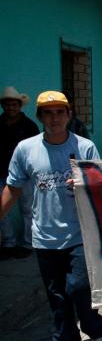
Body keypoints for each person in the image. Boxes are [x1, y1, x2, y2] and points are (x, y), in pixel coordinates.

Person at [1, 91, 102, 341]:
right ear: (39, 117)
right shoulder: (26, 149)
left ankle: (95, 330)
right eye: (48, 112)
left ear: (69, 115)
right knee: (56, 293)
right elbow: (13, 188)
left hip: (79, 234)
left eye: (60, 111)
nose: (55, 117)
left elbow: (101, 188)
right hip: (44, 236)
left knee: (80, 287)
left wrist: (85, 184)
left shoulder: (84, 147)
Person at [0, 87, 39, 260]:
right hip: (1, 173)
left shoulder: (29, 126)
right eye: (7, 104)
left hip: (25, 176)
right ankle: (8, 243)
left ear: (20, 106)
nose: (10, 108)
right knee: (2, 209)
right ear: (3, 106)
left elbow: (37, 151)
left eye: (14, 104)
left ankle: (28, 243)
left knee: (27, 209)